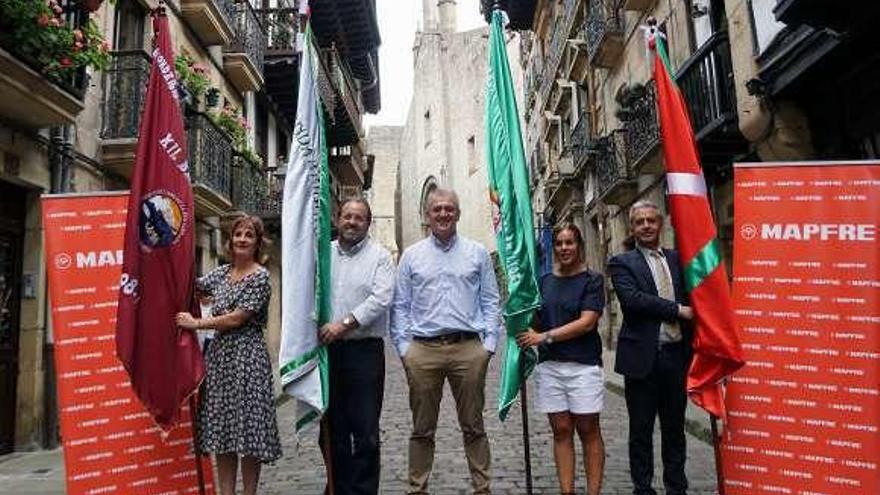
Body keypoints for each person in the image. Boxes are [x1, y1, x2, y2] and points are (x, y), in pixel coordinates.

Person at [391, 188, 501, 495]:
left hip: (468, 349)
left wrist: (488, 347)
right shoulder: (412, 256)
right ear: (427, 215)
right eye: (437, 209)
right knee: (422, 428)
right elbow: (399, 306)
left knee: (474, 425)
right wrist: (404, 350)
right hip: (423, 351)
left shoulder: (477, 252)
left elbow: (491, 301)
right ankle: (417, 487)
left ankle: (483, 487)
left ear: (458, 213)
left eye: (449, 209)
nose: (443, 214)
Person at [176, 215, 281, 495]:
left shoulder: (260, 276)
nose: (242, 239)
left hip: (248, 359)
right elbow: (193, 285)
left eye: (249, 235)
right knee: (223, 433)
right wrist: (170, 251)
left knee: (248, 432)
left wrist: (196, 323)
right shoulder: (222, 273)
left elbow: (237, 318)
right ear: (230, 240)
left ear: (258, 243)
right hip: (220, 360)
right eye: (238, 234)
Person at [607, 200, 693, 495]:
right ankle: (642, 488)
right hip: (642, 360)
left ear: (660, 224)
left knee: (675, 430)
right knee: (640, 431)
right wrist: (678, 310)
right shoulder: (621, 263)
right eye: (640, 221)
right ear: (632, 227)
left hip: (675, 357)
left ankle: (676, 487)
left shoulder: (678, 260)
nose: (645, 226)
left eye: (651, 221)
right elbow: (634, 301)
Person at [516, 223, 606, 495]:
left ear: (578, 245)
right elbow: (534, 320)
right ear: (553, 247)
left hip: (583, 365)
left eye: (570, 242)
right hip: (551, 367)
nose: (564, 248)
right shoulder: (544, 282)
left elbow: (587, 322)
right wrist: (519, 314)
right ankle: (566, 491)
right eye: (559, 243)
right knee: (561, 430)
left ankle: (593, 492)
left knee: (588, 429)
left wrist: (544, 337)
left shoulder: (592, 280)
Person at [319, 198, 395, 494]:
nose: (352, 222)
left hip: (364, 353)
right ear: (338, 219)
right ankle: (338, 488)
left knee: (365, 432)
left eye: (359, 218)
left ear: (368, 223)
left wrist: (343, 324)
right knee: (332, 430)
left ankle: (363, 491)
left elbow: (380, 299)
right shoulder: (323, 255)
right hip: (328, 353)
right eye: (347, 216)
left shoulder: (380, 257)